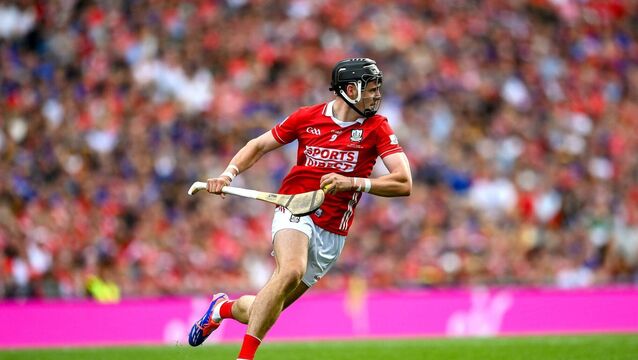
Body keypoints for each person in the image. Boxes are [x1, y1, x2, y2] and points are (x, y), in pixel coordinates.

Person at [188, 58, 412, 359]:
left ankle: (221, 308)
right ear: (349, 90)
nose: (376, 96)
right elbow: (258, 145)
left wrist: (353, 182)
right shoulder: (307, 117)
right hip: (295, 207)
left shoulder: (377, 128)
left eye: (377, 89)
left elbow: (403, 182)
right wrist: (227, 174)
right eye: (370, 90)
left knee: (262, 307)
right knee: (291, 270)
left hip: (333, 233)